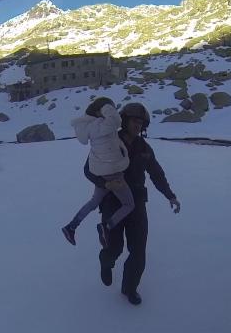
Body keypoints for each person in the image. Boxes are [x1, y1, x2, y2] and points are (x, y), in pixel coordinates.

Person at [84, 102, 181, 306]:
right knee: (115, 247)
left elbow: (156, 173)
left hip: (137, 204)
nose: (137, 125)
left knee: (138, 252)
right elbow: (89, 170)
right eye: (134, 121)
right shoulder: (108, 141)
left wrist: (170, 195)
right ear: (124, 120)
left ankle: (129, 288)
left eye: (141, 123)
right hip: (112, 202)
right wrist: (104, 183)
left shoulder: (144, 148)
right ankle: (106, 262)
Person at [62, 97, 135, 248]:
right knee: (129, 204)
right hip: (113, 172)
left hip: (102, 172)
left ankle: (71, 226)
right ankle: (106, 226)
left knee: (94, 202)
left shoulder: (89, 127)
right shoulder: (101, 124)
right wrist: (107, 106)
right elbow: (116, 120)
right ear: (99, 111)